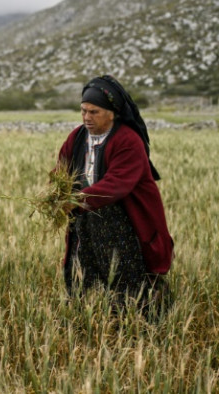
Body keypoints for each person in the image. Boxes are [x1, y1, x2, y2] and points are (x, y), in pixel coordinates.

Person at [58, 75, 174, 312]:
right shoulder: (77, 137)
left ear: (112, 112)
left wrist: (76, 200)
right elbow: (62, 168)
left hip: (124, 218)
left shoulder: (128, 141)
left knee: (123, 271)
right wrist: (56, 191)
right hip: (86, 216)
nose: (86, 117)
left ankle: (136, 310)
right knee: (84, 261)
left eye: (94, 112)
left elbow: (116, 184)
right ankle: (90, 308)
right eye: (83, 111)